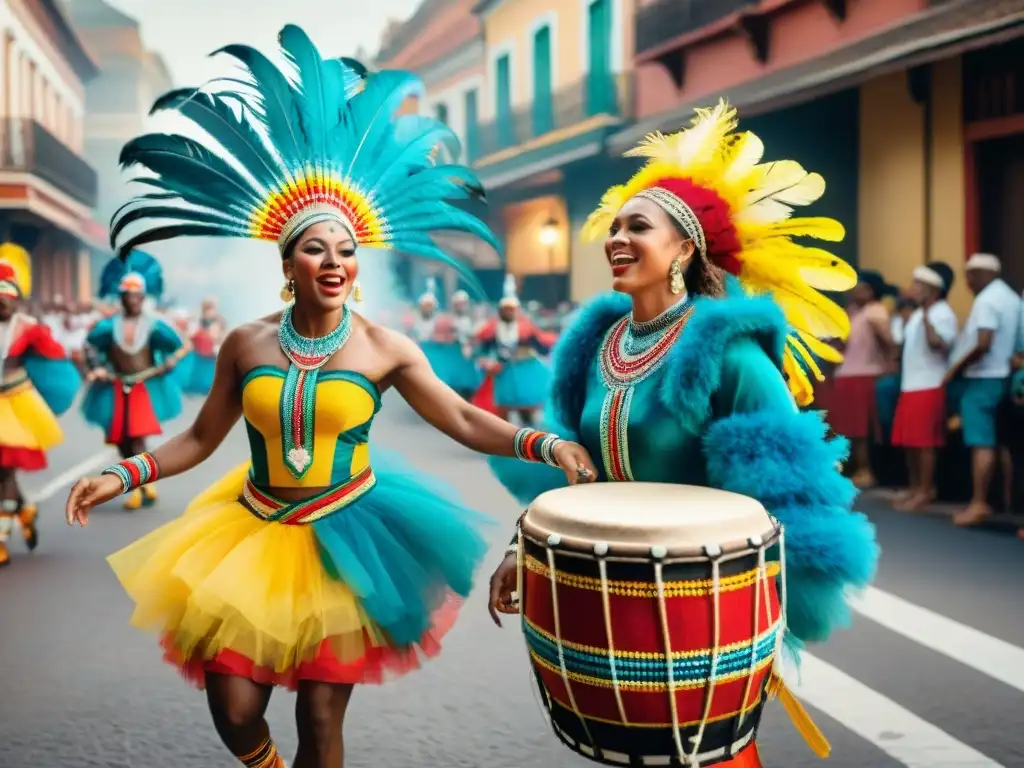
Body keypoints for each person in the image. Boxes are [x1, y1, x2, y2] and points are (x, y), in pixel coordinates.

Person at [63, 29, 597, 768]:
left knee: (320, 715)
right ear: (288, 263)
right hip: (251, 528)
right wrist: (124, 473)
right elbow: (200, 435)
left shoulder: (385, 347)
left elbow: (465, 416)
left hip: (348, 537)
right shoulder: (245, 344)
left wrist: (547, 444)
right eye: (317, 248)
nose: (336, 260)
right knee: (235, 705)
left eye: (347, 249)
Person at [486, 101, 879, 766]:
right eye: (613, 225)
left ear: (685, 247)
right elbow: (575, 473)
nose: (616, 237)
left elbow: (792, 494)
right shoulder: (597, 344)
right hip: (608, 596)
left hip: (700, 604)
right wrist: (522, 546)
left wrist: (768, 606)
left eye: (638, 225)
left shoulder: (728, 353)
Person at [81, 252, 187, 510]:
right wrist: (96, 368)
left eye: (137, 296)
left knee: (137, 438)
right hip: (116, 385)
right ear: (122, 298)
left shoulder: (155, 325)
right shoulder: (107, 326)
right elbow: (89, 346)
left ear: (143, 297)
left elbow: (181, 345)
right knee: (120, 439)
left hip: (143, 385)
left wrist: (168, 363)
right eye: (128, 296)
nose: (133, 301)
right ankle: (143, 482)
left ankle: (139, 487)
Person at [0, 245, 80, 567]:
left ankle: (2, 538)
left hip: (17, 406)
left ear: (18, 298)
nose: (1, 300)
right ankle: (25, 509)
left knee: (4, 471)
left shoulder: (30, 328)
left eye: (7, 294)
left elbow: (56, 362)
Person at [945, 253, 1022, 526]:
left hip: (984, 377)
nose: (967, 281)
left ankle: (979, 503)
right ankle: (1008, 502)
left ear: (981, 273)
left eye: (969, 275)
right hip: (1007, 378)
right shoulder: (1012, 297)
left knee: (982, 442)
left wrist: (956, 369)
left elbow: (983, 342)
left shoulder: (987, 299)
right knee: (1004, 444)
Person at [891, 262, 958, 510]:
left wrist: (928, 316)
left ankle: (926, 490)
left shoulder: (942, 312)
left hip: (930, 384)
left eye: (918, 285)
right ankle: (914, 486)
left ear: (932, 289)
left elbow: (937, 344)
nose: (913, 289)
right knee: (909, 441)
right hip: (911, 384)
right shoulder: (917, 313)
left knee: (925, 442)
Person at [825, 270, 894, 488]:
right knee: (847, 427)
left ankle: (866, 470)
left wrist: (889, 365)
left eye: (861, 287)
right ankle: (853, 467)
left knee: (861, 428)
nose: (855, 291)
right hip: (847, 373)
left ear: (871, 291)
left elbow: (889, 343)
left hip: (864, 374)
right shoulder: (853, 311)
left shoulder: (876, 312)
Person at [471, 274, 557, 425]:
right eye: (506, 309)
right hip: (504, 371)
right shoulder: (493, 328)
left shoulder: (525, 328)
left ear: (516, 310)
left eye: (511, 309)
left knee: (526, 407)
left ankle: (528, 436)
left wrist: (550, 352)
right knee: (503, 406)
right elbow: (484, 347)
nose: (508, 312)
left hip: (524, 369)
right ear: (500, 311)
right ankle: (504, 437)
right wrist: (482, 359)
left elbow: (540, 345)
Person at [186, 298, 227, 396]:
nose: (210, 312)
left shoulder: (219, 322)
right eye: (208, 308)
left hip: (212, 353)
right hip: (200, 354)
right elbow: (191, 336)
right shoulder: (198, 322)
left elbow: (220, 337)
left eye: (212, 308)